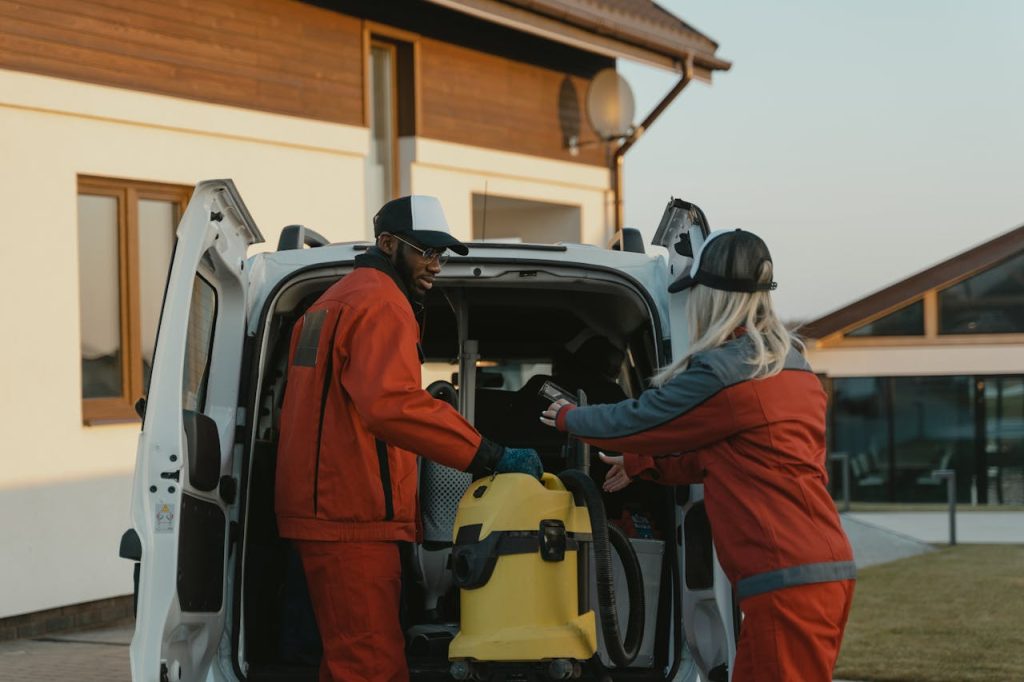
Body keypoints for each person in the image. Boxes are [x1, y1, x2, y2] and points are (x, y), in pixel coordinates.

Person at [541, 229, 855, 682]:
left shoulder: (728, 372)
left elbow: (643, 418)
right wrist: (641, 464)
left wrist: (571, 418)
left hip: (784, 578)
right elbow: (727, 458)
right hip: (822, 568)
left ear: (713, 296)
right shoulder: (792, 367)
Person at [276, 195, 540, 682]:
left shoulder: (330, 301)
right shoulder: (380, 303)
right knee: (371, 668)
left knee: (348, 662)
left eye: (441, 254)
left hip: (326, 513)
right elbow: (392, 405)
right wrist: (489, 455)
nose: (436, 265)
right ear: (387, 243)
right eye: (425, 251)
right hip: (352, 519)